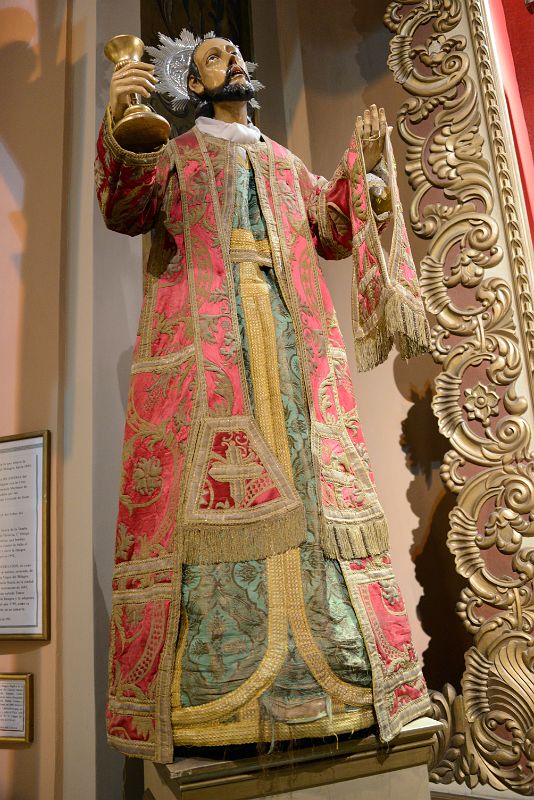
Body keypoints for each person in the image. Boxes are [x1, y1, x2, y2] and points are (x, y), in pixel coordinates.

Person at [95, 30, 432, 764]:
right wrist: (123, 134)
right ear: (191, 81)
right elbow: (125, 208)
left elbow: (333, 229)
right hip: (211, 356)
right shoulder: (178, 156)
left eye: (238, 54)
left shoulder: (283, 163)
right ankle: (219, 695)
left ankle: (338, 684)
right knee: (212, 504)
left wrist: (365, 172)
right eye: (216, 57)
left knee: (315, 496)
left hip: (291, 350)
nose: (236, 62)